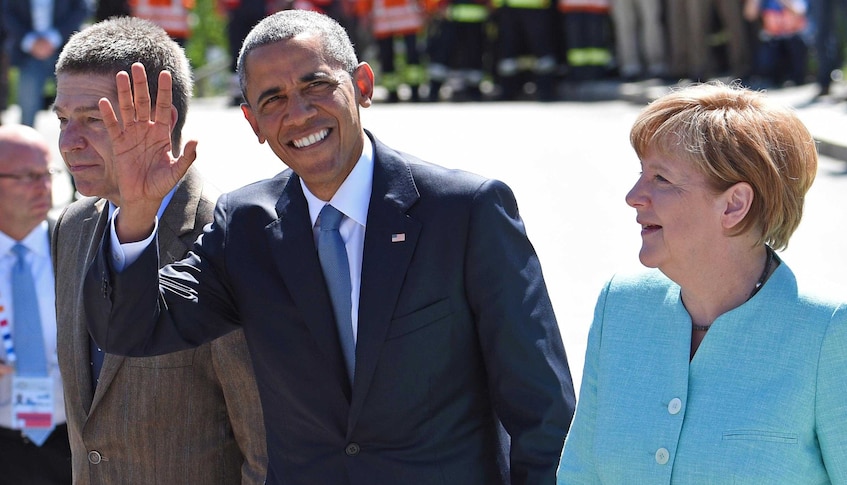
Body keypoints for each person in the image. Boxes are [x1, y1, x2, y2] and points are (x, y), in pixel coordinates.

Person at [83, 9, 575, 484]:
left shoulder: (465, 212)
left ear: (362, 86)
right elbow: (134, 330)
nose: (298, 113)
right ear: (252, 122)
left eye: (316, 85)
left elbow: (542, 409)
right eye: (272, 99)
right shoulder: (246, 226)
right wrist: (138, 211)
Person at [557, 82, 847, 483]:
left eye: (661, 179)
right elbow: (580, 475)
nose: (634, 196)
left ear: (734, 205)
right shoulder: (620, 305)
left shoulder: (832, 330)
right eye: (641, 174)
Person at [51, 17, 267, 484]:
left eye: (93, 120)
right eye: (63, 120)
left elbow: (263, 447)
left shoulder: (227, 237)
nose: (69, 144)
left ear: (161, 122)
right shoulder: (72, 226)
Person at [0, 124, 71, 484]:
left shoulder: (78, 246)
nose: (43, 187)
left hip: (73, 443)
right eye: (28, 176)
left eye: (47, 174)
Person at [1, 0, 89, 127]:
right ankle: (26, 144)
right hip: (29, 54)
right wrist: (30, 41)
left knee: (76, 106)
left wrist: (53, 38)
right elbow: (7, 13)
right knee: (27, 107)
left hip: (66, 50)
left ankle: (78, 142)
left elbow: (82, 9)